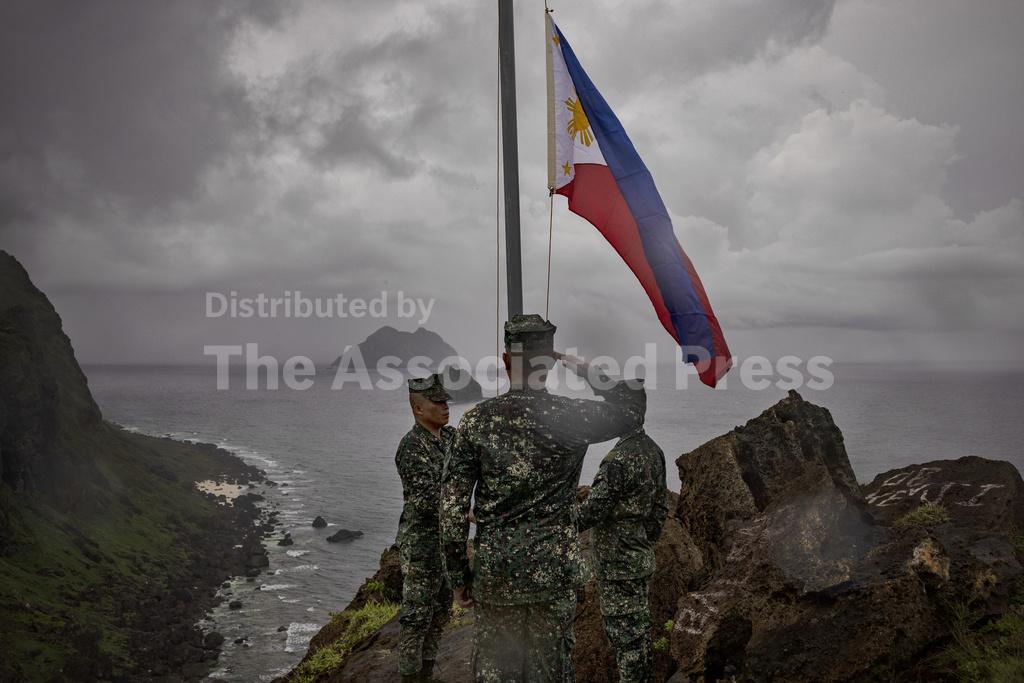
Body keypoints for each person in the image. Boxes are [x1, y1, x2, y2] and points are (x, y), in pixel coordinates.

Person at [439, 314, 644, 682]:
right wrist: (577, 366)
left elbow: (451, 511)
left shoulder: (474, 422)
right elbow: (631, 408)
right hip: (554, 575)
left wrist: (459, 577)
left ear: (505, 361)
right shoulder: (571, 416)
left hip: (497, 574)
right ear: (548, 363)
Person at [575, 375, 667, 683]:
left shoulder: (617, 460)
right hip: (638, 559)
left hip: (617, 566)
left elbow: (588, 515)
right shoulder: (652, 450)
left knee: (625, 639)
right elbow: (659, 509)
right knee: (638, 634)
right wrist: (641, 542)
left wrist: (552, 515)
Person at [396, 373, 455, 683]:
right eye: (438, 402)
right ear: (419, 409)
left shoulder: (450, 438)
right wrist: (469, 513)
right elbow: (427, 501)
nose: (446, 407)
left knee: (440, 613)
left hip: (445, 546)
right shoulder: (412, 446)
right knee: (416, 619)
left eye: (446, 401)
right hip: (421, 546)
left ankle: (426, 674)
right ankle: (410, 678)